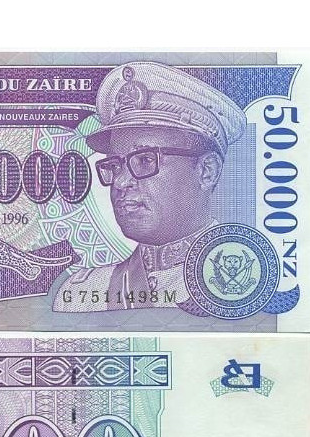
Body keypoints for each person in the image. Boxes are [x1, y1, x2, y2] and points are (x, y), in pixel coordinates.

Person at [53, 62, 246, 311]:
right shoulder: (81, 294)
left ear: (206, 171)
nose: (120, 182)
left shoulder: (244, 287)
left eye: (145, 160)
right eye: (115, 166)